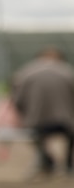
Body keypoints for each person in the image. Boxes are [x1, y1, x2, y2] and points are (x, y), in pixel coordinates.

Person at [11, 46, 74, 176]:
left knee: (36, 137)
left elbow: (17, 100)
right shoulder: (68, 72)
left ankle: (47, 162)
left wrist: (25, 114)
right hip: (67, 121)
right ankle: (68, 166)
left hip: (37, 121)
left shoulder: (25, 72)